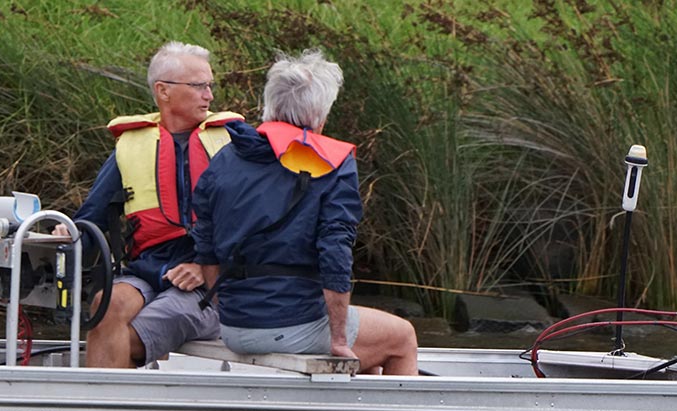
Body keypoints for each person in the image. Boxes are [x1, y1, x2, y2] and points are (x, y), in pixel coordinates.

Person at [191, 50, 417, 375]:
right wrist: (338, 339)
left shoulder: (225, 159)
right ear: (320, 116)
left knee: (368, 344)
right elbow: (335, 256)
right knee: (401, 337)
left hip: (233, 326)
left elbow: (206, 247)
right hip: (291, 326)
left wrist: (226, 311)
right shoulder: (333, 165)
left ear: (270, 106)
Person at [54, 42, 243, 368]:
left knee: (127, 337)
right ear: (163, 91)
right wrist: (64, 234)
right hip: (148, 269)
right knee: (104, 303)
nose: (209, 96)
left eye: (210, 86)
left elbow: (258, 221)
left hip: (208, 280)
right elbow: (91, 218)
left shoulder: (234, 143)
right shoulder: (132, 147)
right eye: (200, 86)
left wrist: (204, 265)